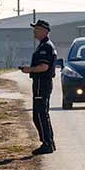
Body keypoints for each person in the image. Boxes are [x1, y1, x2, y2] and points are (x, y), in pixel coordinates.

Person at [21, 20, 57, 155]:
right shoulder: (43, 45)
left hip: (42, 82)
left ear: (44, 31)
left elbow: (44, 67)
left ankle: (47, 143)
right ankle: (49, 142)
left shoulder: (45, 47)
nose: (34, 32)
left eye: (36, 29)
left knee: (40, 115)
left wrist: (29, 70)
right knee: (41, 114)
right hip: (41, 83)